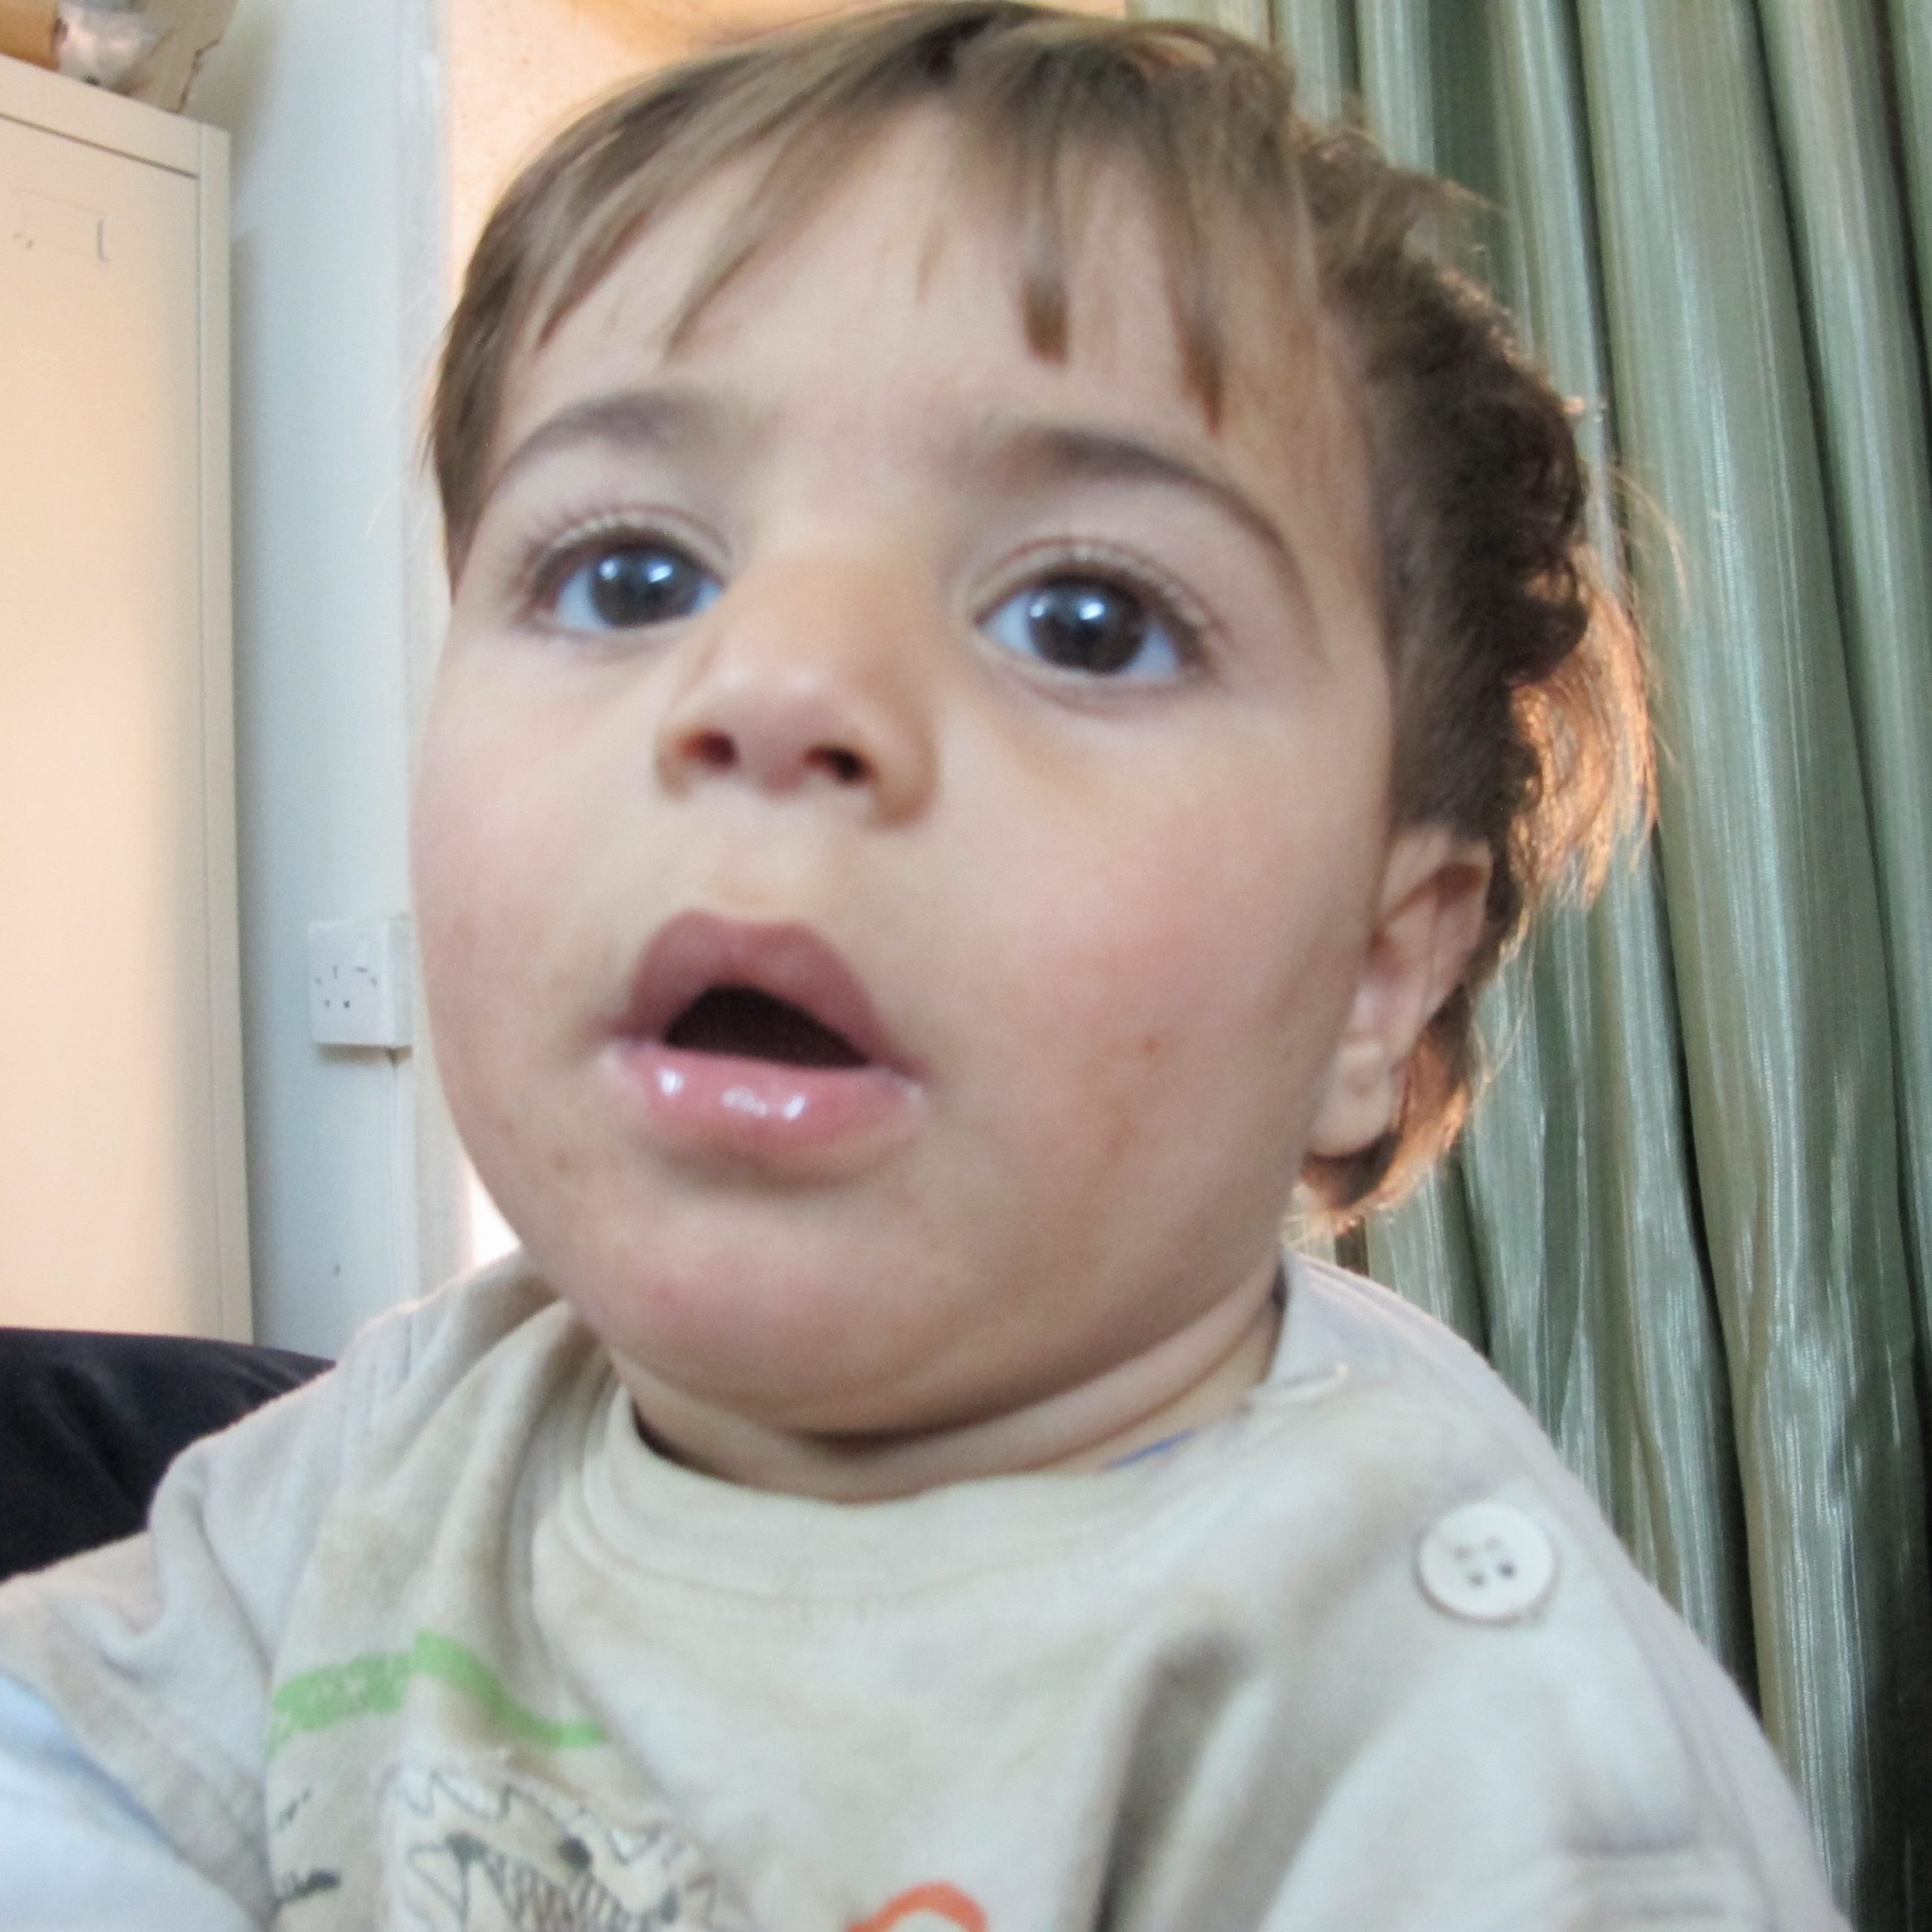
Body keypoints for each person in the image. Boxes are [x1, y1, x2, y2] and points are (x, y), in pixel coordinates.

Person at [0, 5, 1848, 1926]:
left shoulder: (1454, 1753)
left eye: (1084, 618)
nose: (774, 685)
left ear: (1376, 982)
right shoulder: (411, 1438)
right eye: (630, 574)